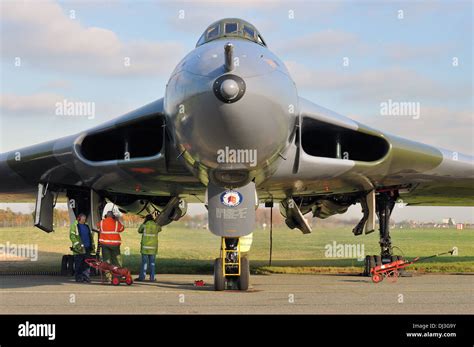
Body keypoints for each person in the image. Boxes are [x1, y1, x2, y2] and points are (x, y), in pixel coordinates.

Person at [69, 213, 95, 283]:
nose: (84, 220)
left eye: (85, 219)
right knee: (79, 264)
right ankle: (78, 277)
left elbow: (90, 237)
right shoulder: (74, 226)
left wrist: (92, 246)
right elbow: (72, 236)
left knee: (87, 264)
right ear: (79, 219)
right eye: (83, 219)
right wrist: (78, 245)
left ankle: (86, 277)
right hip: (79, 249)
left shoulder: (86, 226)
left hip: (87, 248)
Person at [135, 214, 161, 282]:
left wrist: (144, 223)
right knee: (152, 263)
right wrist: (156, 222)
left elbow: (139, 231)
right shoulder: (156, 226)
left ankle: (142, 277)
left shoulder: (144, 225)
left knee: (144, 263)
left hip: (145, 248)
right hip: (153, 248)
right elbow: (160, 229)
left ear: (146, 219)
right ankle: (152, 278)